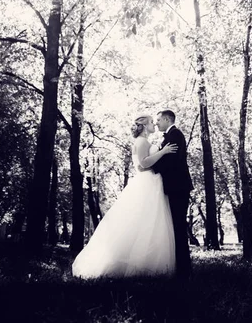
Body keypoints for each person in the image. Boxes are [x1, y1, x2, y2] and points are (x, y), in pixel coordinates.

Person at [72, 114, 177, 278]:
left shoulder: (143, 141)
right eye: (151, 122)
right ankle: (140, 265)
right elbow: (143, 164)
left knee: (148, 222)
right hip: (147, 182)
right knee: (144, 221)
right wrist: (163, 152)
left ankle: (148, 262)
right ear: (143, 126)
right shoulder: (142, 142)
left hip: (151, 181)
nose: (154, 124)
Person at [152, 109, 193, 279]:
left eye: (159, 120)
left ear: (168, 119)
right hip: (175, 187)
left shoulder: (175, 135)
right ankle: (180, 266)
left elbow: (171, 161)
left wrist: (152, 167)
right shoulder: (170, 136)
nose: (157, 123)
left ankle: (184, 269)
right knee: (175, 226)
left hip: (178, 187)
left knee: (178, 226)